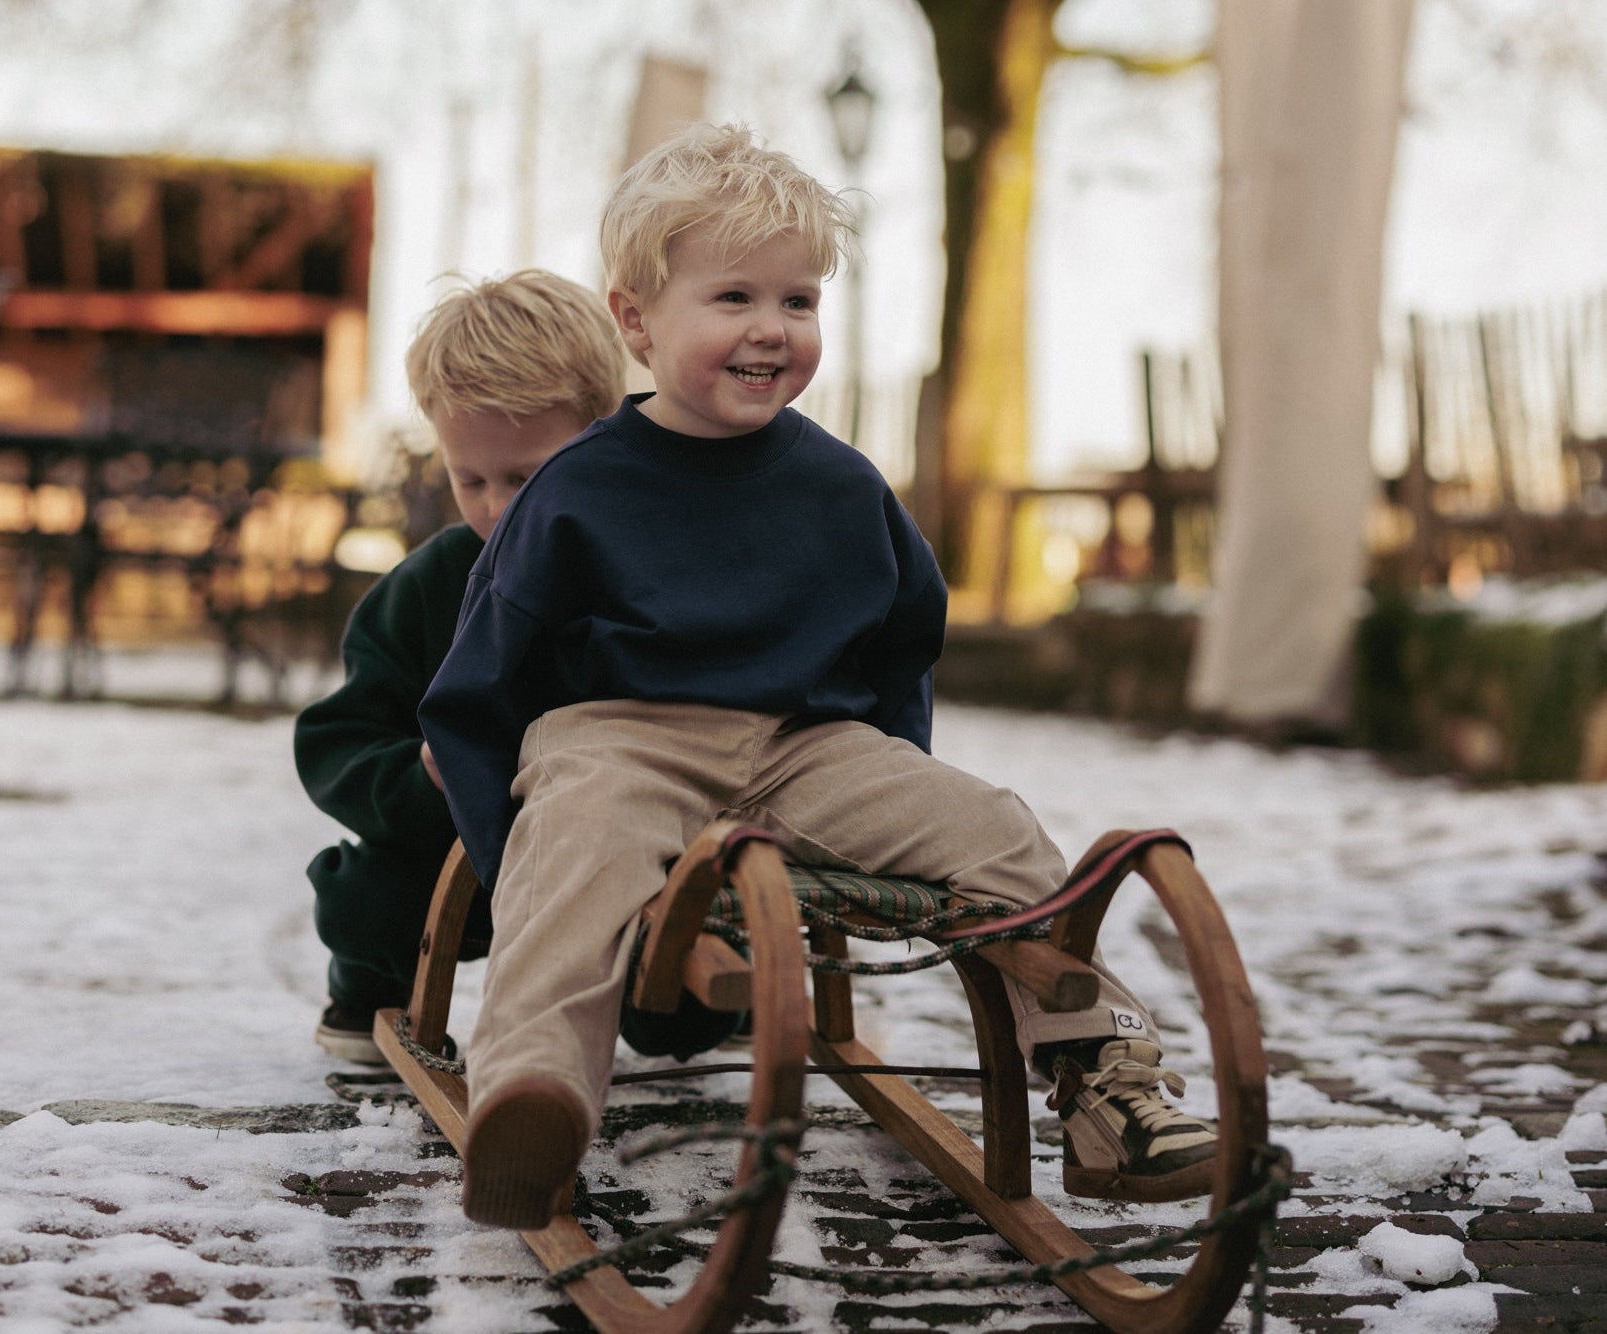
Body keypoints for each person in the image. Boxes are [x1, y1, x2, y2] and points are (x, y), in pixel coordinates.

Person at [419, 123, 1217, 1229]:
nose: (771, 327)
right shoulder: (575, 489)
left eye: (797, 300)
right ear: (635, 319)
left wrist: (894, 787)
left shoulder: (841, 487)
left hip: (805, 746)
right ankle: (532, 1095)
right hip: (620, 735)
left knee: (996, 829)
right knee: (576, 839)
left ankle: (1104, 1082)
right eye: (733, 297)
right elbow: (482, 676)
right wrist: (511, 842)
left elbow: (901, 637)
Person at [294, 269, 626, 1064]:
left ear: (601, 442)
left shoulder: (636, 570)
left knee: (681, 1002)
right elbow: (339, 740)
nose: (495, 507)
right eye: (469, 479)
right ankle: (372, 985)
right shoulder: (424, 588)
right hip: (456, 853)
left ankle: (698, 995)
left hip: (609, 855)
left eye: (525, 478)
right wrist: (418, 772)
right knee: (369, 896)